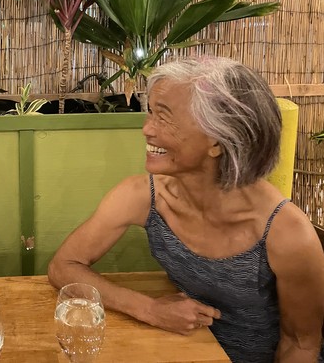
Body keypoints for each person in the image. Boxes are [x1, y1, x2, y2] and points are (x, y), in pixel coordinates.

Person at [48, 57, 324, 363]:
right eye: (150, 112)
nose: (147, 129)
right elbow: (64, 266)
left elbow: (301, 345)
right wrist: (150, 309)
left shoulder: (286, 233)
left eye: (164, 118)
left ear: (218, 141)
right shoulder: (143, 195)